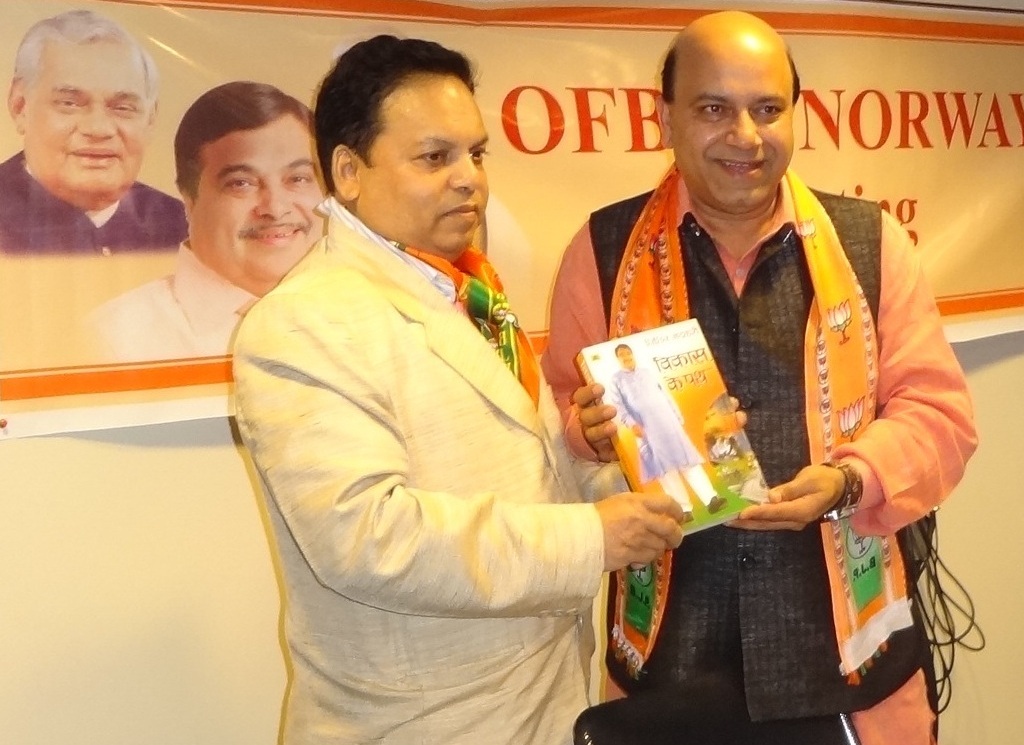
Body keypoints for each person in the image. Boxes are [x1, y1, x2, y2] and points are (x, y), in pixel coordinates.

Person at [231, 35, 684, 745]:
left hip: (538, 703)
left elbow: (517, 480)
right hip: (421, 725)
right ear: (347, 171)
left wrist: (612, 477)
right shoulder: (301, 322)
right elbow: (367, 538)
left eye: (476, 153)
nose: (470, 178)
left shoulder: (464, 288)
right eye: (434, 157)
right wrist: (592, 535)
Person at [543, 11, 978, 745]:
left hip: (845, 662)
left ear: (795, 116)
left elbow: (940, 415)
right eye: (714, 108)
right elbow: (557, 405)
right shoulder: (603, 248)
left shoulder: (871, 243)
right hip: (669, 662)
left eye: (767, 109)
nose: (744, 136)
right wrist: (582, 431)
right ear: (666, 117)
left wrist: (849, 480)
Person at [87, 81, 323, 361]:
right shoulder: (111, 340)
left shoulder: (366, 316)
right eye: (241, 183)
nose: (275, 207)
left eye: (298, 179)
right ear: (188, 197)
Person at [0, 9, 186, 255]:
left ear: (150, 119)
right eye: (70, 103)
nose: (98, 129)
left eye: (122, 107)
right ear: (20, 106)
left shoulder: (185, 229)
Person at [609, 343, 726, 520]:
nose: (626, 357)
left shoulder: (647, 372)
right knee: (666, 471)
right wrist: (632, 424)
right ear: (618, 359)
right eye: (622, 355)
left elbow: (664, 395)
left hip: (669, 424)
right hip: (646, 430)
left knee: (688, 462)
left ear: (633, 354)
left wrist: (677, 415)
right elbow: (619, 407)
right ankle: (683, 510)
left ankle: (711, 499)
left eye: (628, 353)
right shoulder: (616, 380)